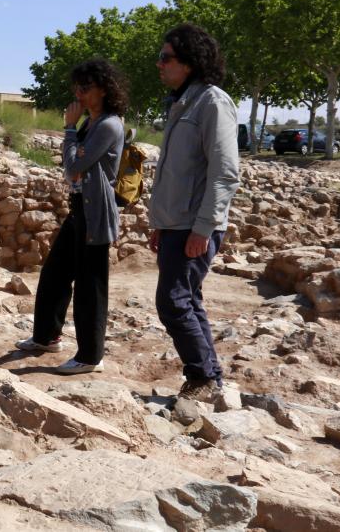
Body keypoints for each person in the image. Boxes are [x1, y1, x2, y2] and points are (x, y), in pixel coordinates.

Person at [15, 59, 126, 373]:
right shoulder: (91, 123)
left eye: (85, 87)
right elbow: (74, 161)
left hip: (96, 211)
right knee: (55, 274)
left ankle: (90, 357)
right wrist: (74, 142)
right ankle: (46, 337)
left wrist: (68, 129)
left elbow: (73, 166)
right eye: (76, 87)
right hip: (81, 207)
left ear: (103, 89)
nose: (78, 93)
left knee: (91, 284)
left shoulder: (107, 124)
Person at [149, 23, 240, 400]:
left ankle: (202, 378)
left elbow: (225, 172)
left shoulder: (213, 102)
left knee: (172, 301)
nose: (159, 64)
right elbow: (174, 172)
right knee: (188, 298)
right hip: (175, 224)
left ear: (189, 62)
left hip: (194, 226)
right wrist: (158, 224)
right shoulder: (182, 103)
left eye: (166, 58)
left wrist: (203, 229)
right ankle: (210, 377)